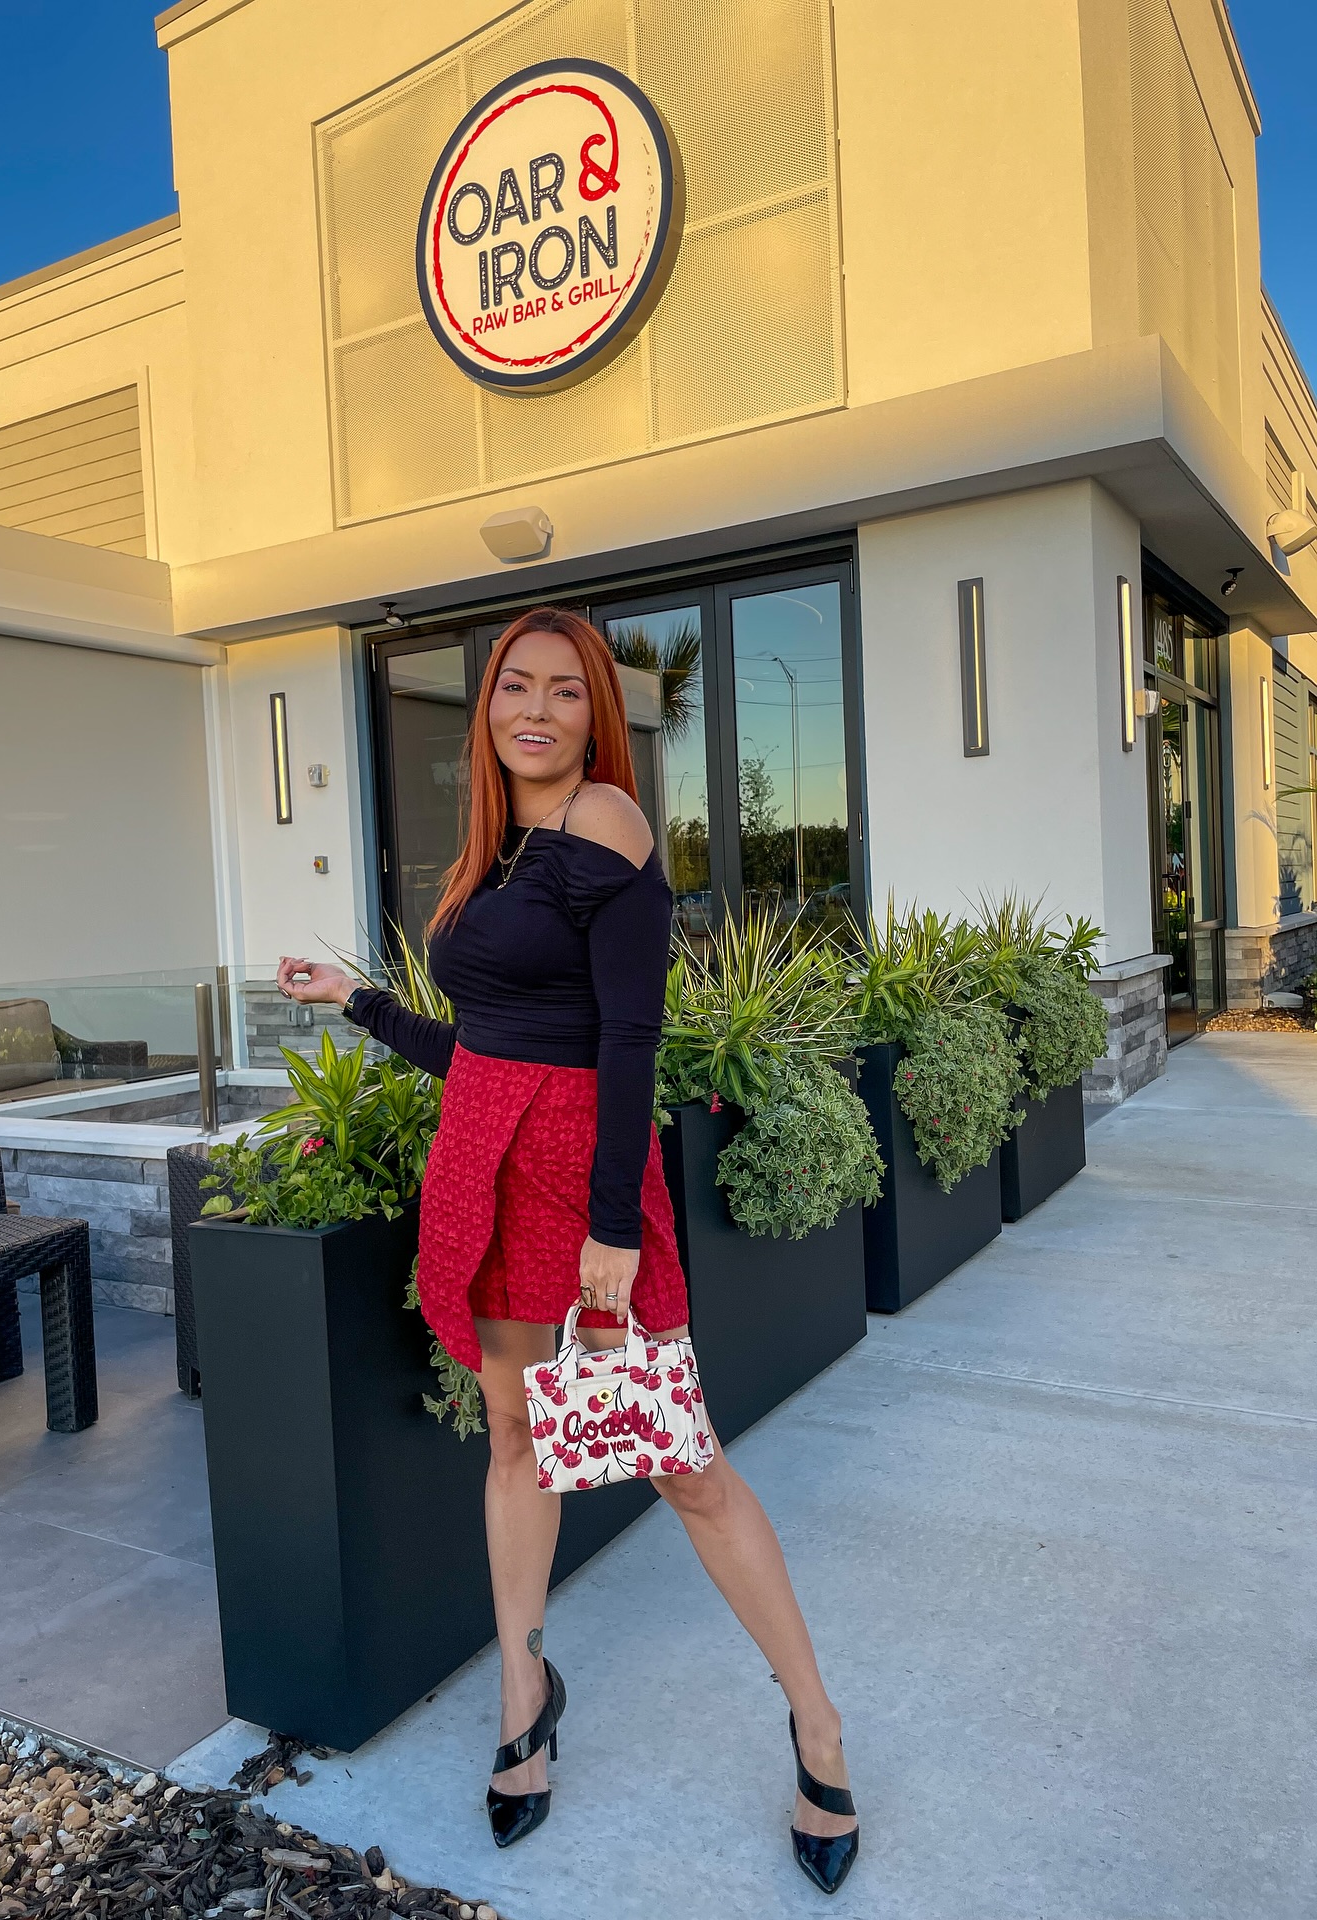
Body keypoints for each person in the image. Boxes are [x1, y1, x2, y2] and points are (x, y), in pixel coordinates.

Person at [277, 607, 858, 1894]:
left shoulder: (603, 820)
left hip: (584, 1186)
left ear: (599, 716)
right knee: (518, 1441)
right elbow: (488, 1051)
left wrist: (611, 1231)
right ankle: (523, 1701)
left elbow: (628, 1042)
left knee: (682, 1461)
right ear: (486, 708)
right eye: (512, 688)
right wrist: (360, 1004)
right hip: (483, 1167)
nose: (534, 710)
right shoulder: (491, 852)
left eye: (564, 692)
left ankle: (816, 1721)